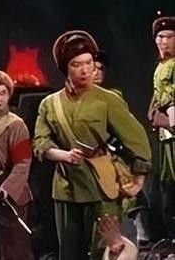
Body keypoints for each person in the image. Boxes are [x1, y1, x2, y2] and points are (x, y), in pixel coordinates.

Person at [34, 30, 152, 260]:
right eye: (77, 64)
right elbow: (40, 142)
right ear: (65, 68)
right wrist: (63, 155)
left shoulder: (108, 100)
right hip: (66, 189)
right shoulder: (50, 104)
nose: (85, 69)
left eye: (89, 63)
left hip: (102, 188)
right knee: (69, 253)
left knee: (104, 252)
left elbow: (137, 141)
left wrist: (138, 179)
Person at [0, 70, 34, 260]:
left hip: (11, 196)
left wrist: (6, 190)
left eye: (3, 93)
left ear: (9, 95)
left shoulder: (16, 125)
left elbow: (23, 163)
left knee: (15, 248)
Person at [149, 16, 175, 238]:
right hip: (165, 138)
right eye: (160, 37)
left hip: (171, 125)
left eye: (169, 36)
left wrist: (165, 120)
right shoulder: (160, 66)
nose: (163, 41)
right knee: (167, 185)